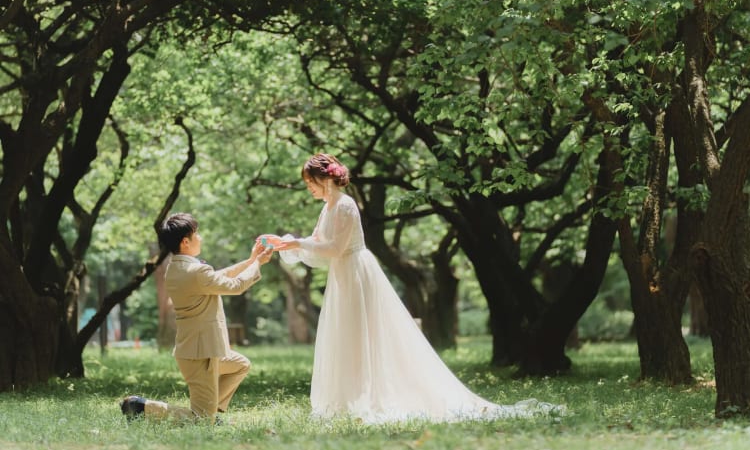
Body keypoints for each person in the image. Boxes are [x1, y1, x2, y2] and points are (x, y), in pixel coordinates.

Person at [269, 153, 562, 424]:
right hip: (341, 275)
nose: (309, 188)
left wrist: (297, 243)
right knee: (345, 333)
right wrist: (288, 244)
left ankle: (366, 395)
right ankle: (346, 398)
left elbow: (334, 248)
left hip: (356, 273)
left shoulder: (345, 205)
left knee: (360, 332)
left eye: (310, 182)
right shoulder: (327, 208)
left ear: (324, 178)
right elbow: (318, 246)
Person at [120, 212, 273, 424]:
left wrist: (251, 261)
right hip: (202, 355)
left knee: (241, 365)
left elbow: (217, 278)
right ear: (185, 242)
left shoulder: (177, 268)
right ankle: (141, 407)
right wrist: (258, 264)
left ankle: (211, 411)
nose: (200, 238)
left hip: (201, 349)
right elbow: (235, 286)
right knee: (201, 420)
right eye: (196, 234)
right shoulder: (195, 272)